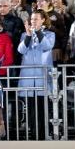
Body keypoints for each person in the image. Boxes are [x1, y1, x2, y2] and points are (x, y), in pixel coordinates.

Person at [18, 10, 55, 140]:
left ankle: (44, 135)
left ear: (43, 20)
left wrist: (38, 32)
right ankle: (34, 136)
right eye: (32, 19)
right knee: (31, 110)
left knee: (43, 110)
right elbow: (21, 50)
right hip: (28, 78)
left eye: (36, 19)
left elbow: (47, 46)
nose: (33, 21)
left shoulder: (50, 34)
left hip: (42, 77)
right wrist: (28, 36)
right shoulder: (24, 35)